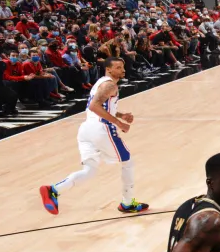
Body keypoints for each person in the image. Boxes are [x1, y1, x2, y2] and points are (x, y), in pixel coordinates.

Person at [39, 58, 148, 216]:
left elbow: (99, 106)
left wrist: (121, 114)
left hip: (86, 129)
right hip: (101, 129)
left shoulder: (100, 83)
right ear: (109, 70)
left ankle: (53, 190)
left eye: (123, 67)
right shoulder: (110, 84)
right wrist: (119, 123)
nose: (122, 70)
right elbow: (94, 106)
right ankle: (127, 203)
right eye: (118, 67)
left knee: (89, 171)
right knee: (128, 162)